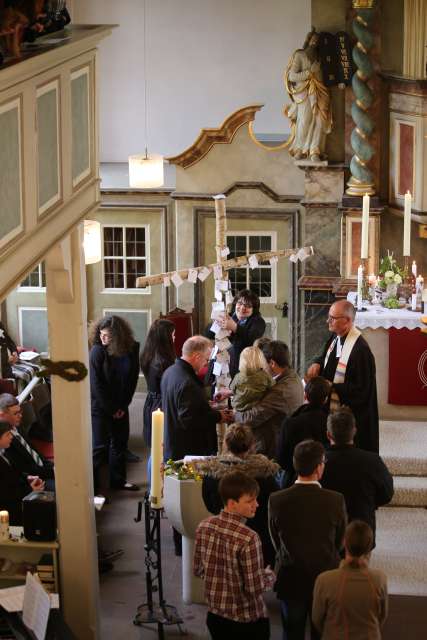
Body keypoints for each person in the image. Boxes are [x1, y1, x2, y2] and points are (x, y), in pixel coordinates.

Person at [269, 440, 347, 640]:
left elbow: (276, 539)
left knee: (291, 631)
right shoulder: (335, 500)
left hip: (291, 576)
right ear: (319, 467)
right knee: (321, 632)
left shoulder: (277, 499)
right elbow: (339, 541)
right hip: (325, 574)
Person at [194, 470, 275, 639]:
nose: (257, 504)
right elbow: (253, 588)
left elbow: (199, 570)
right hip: (245, 620)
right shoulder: (249, 538)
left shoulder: (204, 526)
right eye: (250, 500)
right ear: (231, 504)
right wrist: (269, 576)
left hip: (215, 616)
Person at [198, 423, 279, 566]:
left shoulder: (212, 474)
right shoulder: (265, 473)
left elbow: (208, 504)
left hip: (223, 537)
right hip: (257, 536)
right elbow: (273, 504)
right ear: (252, 445)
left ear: (226, 444)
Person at [306, 300, 379, 452]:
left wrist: (332, 387)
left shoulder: (360, 351)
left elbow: (362, 391)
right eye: (329, 316)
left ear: (347, 321)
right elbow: (327, 357)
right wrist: (317, 363)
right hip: (333, 406)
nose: (328, 320)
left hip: (354, 417)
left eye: (332, 318)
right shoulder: (336, 337)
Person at [321, 407, 393, 545]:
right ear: (354, 432)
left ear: (328, 435)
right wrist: (369, 501)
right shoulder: (372, 461)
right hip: (362, 528)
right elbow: (387, 493)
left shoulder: (319, 462)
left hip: (327, 530)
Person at [88, 315, 140, 491]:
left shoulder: (131, 348)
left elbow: (132, 379)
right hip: (101, 406)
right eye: (101, 334)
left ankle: (118, 480)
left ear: (118, 336)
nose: (103, 339)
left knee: (119, 443)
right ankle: (95, 489)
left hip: (121, 404)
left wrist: (124, 404)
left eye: (108, 336)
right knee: (99, 447)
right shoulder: (97, 351)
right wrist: (111, 409)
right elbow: (96, 385)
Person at [312, 520, 388, 639]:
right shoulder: (380, 579)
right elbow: (382, 616)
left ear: (344, 543)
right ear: (369, 547)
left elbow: (317, 619)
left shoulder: (324, 580)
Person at [161, 336, 232, 462]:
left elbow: (180, 405)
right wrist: (218, 416)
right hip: (187, 450)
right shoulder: (187, 382)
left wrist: (205, 404)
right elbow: (189, 420)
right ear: (197, 357)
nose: (207, 364)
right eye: (206, 359)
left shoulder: (170, 371)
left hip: (173, 440)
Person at [234, 341, 304, 458]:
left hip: (270, 449)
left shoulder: (281, 390)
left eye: (262, 365)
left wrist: (235, 414)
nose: (261, 369)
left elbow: (252, 417)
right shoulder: (292, 376)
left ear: (271, 363)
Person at [284, 28, 332, 162]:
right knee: (304, 121)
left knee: (320, 120)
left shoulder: (322, 58)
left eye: (317, 41)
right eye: (313, 39)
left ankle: (315, 150)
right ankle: (300, 149)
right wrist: (309, 73)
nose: (315, 42)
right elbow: (292, 76)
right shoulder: (300, 55)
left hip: (321, 91)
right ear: (308, 39)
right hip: (304, 92)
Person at [277, 376, 330, 488]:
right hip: (324, 478)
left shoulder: (290, 423)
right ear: (325, 399)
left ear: (305, 395)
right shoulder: (330, 424)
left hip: (293, 478)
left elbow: (281, 459)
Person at [0, 393, 54, 484]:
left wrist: (52, 466)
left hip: (43, 470)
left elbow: (36, 453)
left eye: (20, 412)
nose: (20, 416)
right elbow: (27, 469)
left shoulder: (17, 426)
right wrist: (53, 471)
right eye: (15, 413)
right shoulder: (5, 442)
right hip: (36, 479)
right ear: (2, 415)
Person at [140, 318, 175, 450]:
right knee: (160, 448)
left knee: (155, 448)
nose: (175, 336)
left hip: (152, 401)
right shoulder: (162, 362)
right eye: (172, 334)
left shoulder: (150, 353)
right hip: (161, 405)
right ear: (165, 338)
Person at [0, 421, 45, 525]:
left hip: (19, 495)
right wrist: (30, 490)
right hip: (10, 507)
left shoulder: (4, 452)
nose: (11, 437)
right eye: (7, 435)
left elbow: (15, 473)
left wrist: (29, 478)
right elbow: (4, 493)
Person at [218, 289, 266, 378]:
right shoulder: (231, 317)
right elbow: (209, 334)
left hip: (244, 368)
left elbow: (251, 339)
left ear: (253, 309)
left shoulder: (258, 322)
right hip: (224, 363)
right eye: (239, 303)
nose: (242, 308)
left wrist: (234, 328)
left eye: (248, 306)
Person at [230, 346, 274, 412]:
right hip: (256, 411)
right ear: (261, 359)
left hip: (238, 409)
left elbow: (233, 390)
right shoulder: (265, 376)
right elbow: (273, 388)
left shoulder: (238, 376)